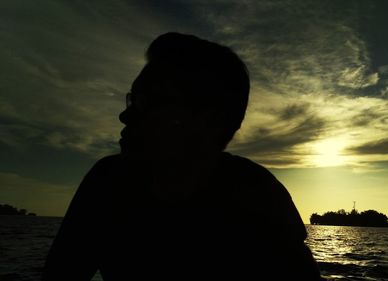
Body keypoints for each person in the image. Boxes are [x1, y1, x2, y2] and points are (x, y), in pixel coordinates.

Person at [42, 32, 324, 281]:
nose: (125, 114)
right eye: (131, 99)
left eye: (145, 101)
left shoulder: (258, 196)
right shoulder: (106, 184)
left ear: (209, 119)